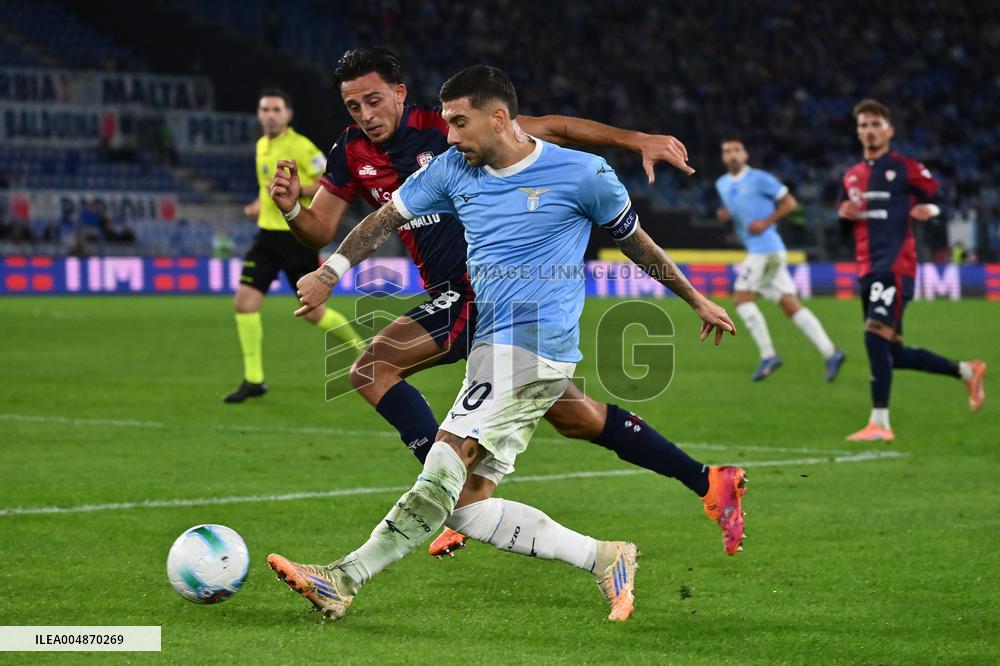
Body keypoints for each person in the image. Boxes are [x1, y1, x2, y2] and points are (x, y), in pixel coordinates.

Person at [267, 65, 739, 622]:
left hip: (536, 346)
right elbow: (386, 218)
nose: (450, 136)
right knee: (466, 507)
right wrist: (331, 270)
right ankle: (604, 557)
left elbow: (636, 243)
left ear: (497, 118)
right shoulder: (451, 170)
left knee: (444, 462)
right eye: (447, 123)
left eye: (459, 123)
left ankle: (342, 579)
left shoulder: (583, 174)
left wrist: (695, 299)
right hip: (492, 343)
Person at [837, 99, 987, 441]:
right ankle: (967, 371)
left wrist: (930, 210)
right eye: (863, 125)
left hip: (895, 266)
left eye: (876, 124)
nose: (869, 131)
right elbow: (845, 230)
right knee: (894, 353)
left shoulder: (906, 168)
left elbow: (944, 198)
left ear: (889, 130)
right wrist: (843, 217)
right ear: (858, 132)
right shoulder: (850, 176)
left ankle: (880, 423)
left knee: (874, 335)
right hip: (867, 268)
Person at [225, 87, 364, 404]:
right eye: (265, 109)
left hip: (296, 237)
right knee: (244, 303)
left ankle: (364, 352)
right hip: (266, 237)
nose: (270, 115)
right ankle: (254, 379)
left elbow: (330, 180)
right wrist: (258, 205)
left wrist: (298, 191)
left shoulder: (300, 146)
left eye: (276, 109)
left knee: (314, 313)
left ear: (288, 114)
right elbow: (268, 187)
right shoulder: (261, 145)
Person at [715, 138, 845, 381]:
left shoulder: (760, 178)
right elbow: (739, 212)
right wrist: (727, 217)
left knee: (741, 299)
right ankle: (831, 353)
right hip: (760, 250)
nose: (732, 154)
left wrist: (765, 222)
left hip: (766, 249)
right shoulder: (721, 184)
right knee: (789, 304)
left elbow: (790, 203)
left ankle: (768, 355)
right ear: (723, 157)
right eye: (727, 151)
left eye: (737, 150)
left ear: (745, 155)